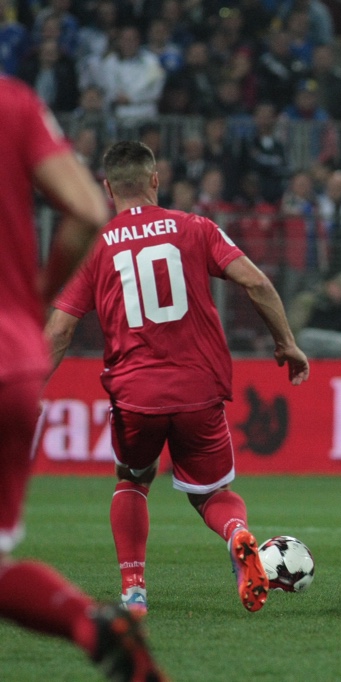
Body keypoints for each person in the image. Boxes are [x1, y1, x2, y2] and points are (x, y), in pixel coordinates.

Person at [45, 141, 310, 618]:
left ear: (107, 188)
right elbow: (256, 282)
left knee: (132, 479)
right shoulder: (196, 227)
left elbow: (60, 330)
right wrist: (286, 343)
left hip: (136, 394)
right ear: (155, 180)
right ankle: (237, 534)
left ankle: (134, 591)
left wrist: (26, 387)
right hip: (199, 390)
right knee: (212, 493)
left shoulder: (97, 245)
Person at [0, 78, 166, 681]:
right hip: (11, 354)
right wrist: (29, 302)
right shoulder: (14, 103)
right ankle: (92, 625)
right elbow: (86, 211)